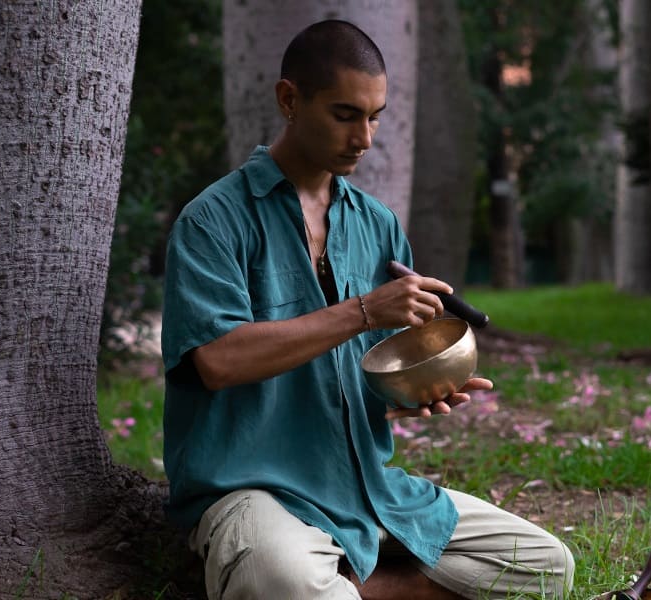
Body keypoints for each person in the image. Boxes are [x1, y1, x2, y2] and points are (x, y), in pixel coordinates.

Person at [160, 18, 574, 600]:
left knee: (544, 566)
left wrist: (419, 391)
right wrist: (362, 311)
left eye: (375, 116)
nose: (365, 137)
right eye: (345, 114)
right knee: (280, 578)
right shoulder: (213, 220)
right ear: (289, 100)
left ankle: (350, 588)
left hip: (363, 484)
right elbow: (217, 362)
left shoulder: (377, 226)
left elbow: (363, 373)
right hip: (255, 488)